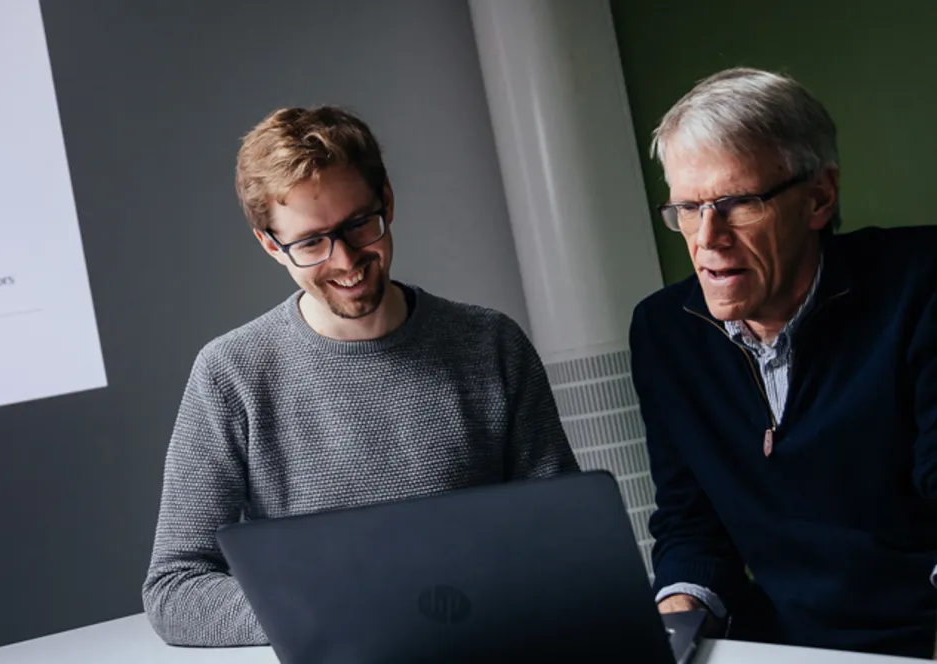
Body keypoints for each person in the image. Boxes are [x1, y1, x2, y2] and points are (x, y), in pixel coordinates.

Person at [141, 105, 577, 647]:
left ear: (387, 202)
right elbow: (175, 588)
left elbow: (566, 541)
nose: (346, 260)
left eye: (358, 225)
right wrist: (329, 613)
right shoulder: (230, 375)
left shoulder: (492, 344)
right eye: (311, 243)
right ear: (270, 245)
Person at [629, 66, 937, 657]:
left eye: (736, 204)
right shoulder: (665, 332)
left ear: (819, 197)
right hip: (781, 648)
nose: (707, 239)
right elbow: (692, 529)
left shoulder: (923, 289)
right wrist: (676, 628)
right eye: (687, 209)